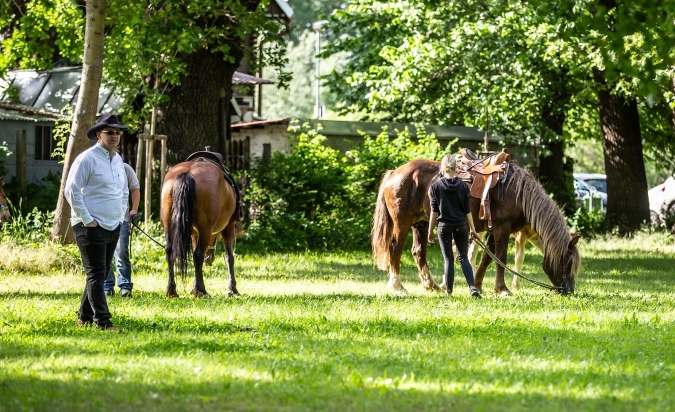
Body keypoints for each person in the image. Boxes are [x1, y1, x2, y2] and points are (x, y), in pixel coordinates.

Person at [64, 114, 129, 332]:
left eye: (117, 132)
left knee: (99, 274)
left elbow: (123, 191)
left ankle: (84, 316)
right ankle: (104, 322)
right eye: (110, 132)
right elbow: (71, 190)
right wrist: (86, 218)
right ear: (98, 134)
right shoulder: (87, 159)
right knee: (95, 274)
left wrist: (121, 216)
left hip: (113, 225)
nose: (114, 136)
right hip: (89, 225)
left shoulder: (118, 159)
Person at [427, 153, 482, 298]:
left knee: (448, 259)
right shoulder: (463, 186)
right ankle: (472, 287)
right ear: (456, 167)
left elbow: (434, 211)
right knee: (463, 257)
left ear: (443, 167)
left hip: (443, 227)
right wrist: (473, 230)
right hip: (461, 226)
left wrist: (430, 231)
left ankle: (449, 292)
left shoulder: (435, 187)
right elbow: (467, 211)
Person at [104, 162, 140, 298]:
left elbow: (135, 188)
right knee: (104, 253)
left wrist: (134, 209)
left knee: (121, 252)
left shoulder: (125, 168)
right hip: (102, 219)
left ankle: (125, 286)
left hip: (122, 219)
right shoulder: (98, 166)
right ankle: (107, 286)